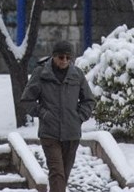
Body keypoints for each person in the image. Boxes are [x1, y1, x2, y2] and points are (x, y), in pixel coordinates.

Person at [21, 39, 96, 192]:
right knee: (57, 173)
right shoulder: (41, 73)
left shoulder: (77, 74)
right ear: (54, 56)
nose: (65, 61)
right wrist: (43, 113)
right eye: (61, 57)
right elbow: (27, 100)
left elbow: (89, 99)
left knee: (64, 175)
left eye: (68, 58)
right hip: (50, 133)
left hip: (71, 133)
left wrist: (79, 117)